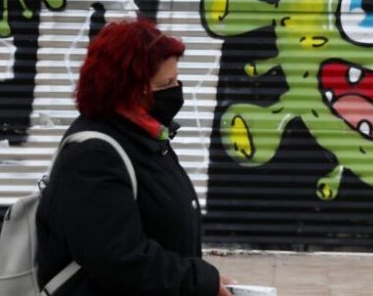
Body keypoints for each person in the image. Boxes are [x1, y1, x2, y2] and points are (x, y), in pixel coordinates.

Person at [36, 19, 234, 296]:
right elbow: (120, 260)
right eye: (166, 83)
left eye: (176, 80)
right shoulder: (93, 156)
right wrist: (198, 281)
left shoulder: (144, 137)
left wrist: (202, 280)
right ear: (129, 89)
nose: (176, 91)